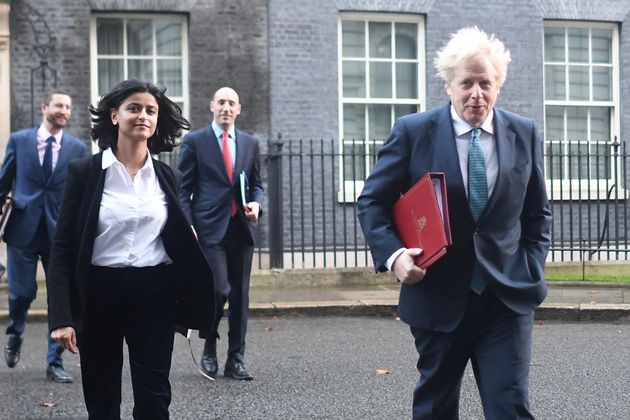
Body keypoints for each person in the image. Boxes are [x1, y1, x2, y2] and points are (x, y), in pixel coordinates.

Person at [357, 27, 552, 419]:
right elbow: (372, 202)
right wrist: (395, 257)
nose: (476, 94)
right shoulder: (414, 133)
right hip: (438, 295)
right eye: (466, 83)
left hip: (505, 298)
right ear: (448, 85)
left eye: (485, 83)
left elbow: (537, 214)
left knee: (510, 407)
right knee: (435, 407)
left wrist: (531, 264)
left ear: (498, 85)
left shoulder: (524, 133)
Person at [46, 79, 215, 419]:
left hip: (154, 294)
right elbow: (63, 249)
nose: (143, 116)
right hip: (98, 294)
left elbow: (174, 233)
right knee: (103, 398)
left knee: (154, 399)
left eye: (150, 110)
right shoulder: (85, 172)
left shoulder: (167, 176)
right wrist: (63, 317)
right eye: (133, 108)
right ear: (114, 116)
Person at [0, 89, 89, 382]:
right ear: (44, 107)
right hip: (22, 228)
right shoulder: (19, 140)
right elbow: (3, 183)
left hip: (59, 233)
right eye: (59, 105)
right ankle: (15, 332)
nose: (64, 110)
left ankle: (55, 362)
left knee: (60, 298)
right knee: (22, 292)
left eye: (68, 106)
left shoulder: (77, 149)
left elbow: (81, 195)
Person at [178, 86, 264, 381]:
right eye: (222, 102)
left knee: (240, 296)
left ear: (238, 109)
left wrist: (257, 204)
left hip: (241, 227)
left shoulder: (251, 143)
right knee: (219, 289)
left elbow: (257, 185)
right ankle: (209, 348)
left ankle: (236, 358)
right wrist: (188, 224)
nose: (226, 107)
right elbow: (183, 189)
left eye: (232, 103)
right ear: (211, 106)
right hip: (208, 229)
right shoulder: (194, 142)